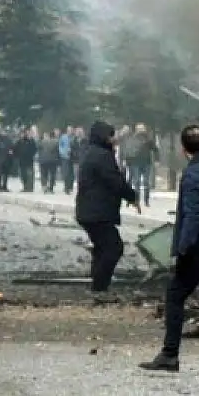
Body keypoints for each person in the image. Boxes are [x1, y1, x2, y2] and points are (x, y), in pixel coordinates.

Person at [139, 126, 199, 375]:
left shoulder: (193, 174)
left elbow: (193, 215)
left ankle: (169, 355)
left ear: (184, 150)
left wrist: (183, 248)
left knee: (175, 295)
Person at [74, 121, 140, 301]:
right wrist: (132, 196)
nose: (114, 139)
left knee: (102, 248)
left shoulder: (91, 151)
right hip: (97, 212)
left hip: (89, 211)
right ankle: (99, 287)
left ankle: (98, 285)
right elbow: (115, 181)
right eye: (110, 136)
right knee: (114, 247)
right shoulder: (102, 155)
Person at [128, 124, 159, 207]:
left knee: (146, 182)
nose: (141, 130)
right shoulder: (133, 139)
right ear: (136, 130)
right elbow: (129, 150)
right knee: (137, 182)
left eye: (142, 128)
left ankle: (146, 200)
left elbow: (155, 149)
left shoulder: (148, 139)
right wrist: (128, 162)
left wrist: (157, 160)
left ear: (145, 129)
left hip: (146, 163)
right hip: (135, 163)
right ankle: (137, 200)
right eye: (139, 129)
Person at [38, 129, 61, 194]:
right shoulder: (56, 142)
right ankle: (51, 188)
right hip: (53, 161)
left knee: (44, 174)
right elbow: (57, 152)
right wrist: (59, 161)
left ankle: (45, 186)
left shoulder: (42, 141)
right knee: (52, 174)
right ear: (54, 136)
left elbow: (39, 149)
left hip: (43, 160)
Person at [59, 126, 75, 194]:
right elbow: (60, 146)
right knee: (66, 173)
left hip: (72, 158)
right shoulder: (63, 137)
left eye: (71, 130)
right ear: (67, 130)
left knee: (71, 173)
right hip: (65, 157)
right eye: (69, 130)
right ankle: (66, 188)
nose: (70, 132)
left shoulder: (73, 138)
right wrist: (63, 153)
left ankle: (70, 187)